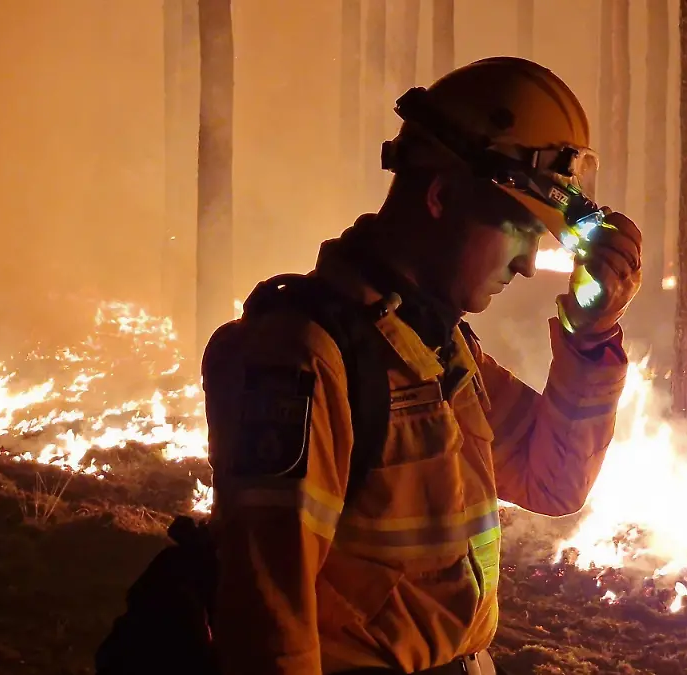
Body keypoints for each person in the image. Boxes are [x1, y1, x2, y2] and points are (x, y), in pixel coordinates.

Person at [201, 57, 642, 675]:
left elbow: (554, 480)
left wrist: (591, 335)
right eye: (518, 229)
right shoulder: (307, 358)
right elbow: (269, 626)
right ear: (441, 196)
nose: (523, 266)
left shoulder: (438, 350)